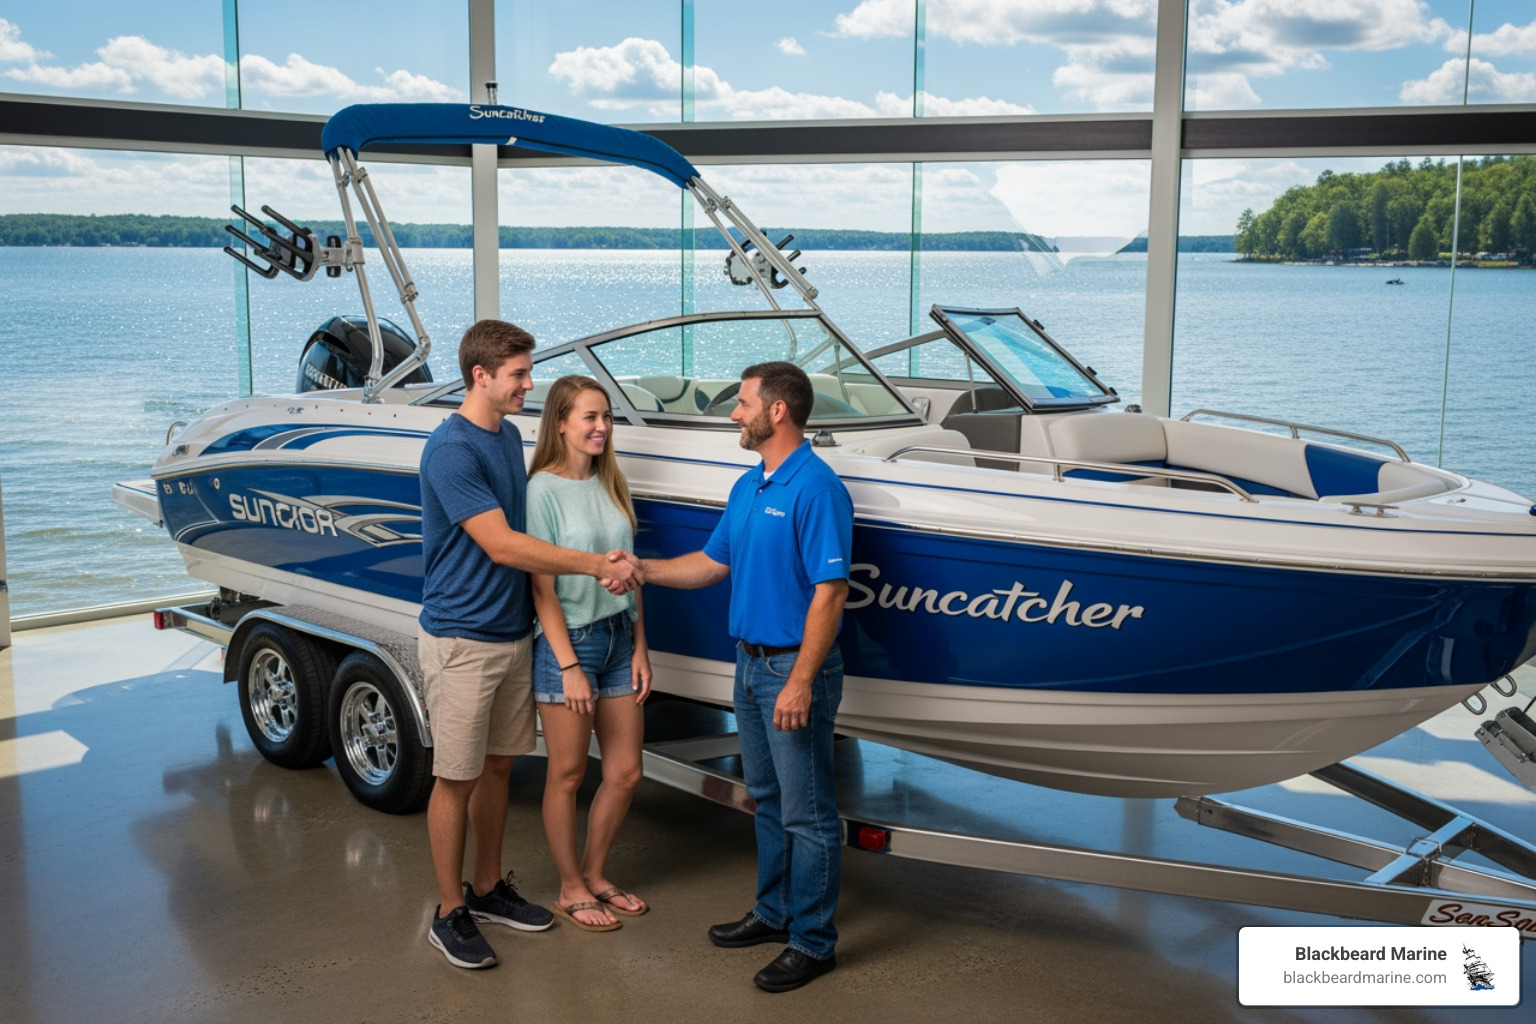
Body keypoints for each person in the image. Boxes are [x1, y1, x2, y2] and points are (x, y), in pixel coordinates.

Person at [419, 319, 641, 970]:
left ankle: (486, 889)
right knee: (454, 778)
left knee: (496, 768)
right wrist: (594, 563)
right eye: (518, 373)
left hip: (511, 632)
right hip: (462, 638)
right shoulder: (451, 449)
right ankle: (448, 910)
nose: (528, 383)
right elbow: (502, 544)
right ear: (479, 376)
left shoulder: (507, 437)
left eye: (528, 370)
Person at [634, 361, 852, 993]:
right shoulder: (749, 485)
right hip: (749, 666)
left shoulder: (817, 488)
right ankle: (773, 911)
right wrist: (642, 570)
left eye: (743, 402)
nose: (734, 412)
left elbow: (830, 594)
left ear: (777, 411)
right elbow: (708, 564)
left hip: (790, 670)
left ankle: (813, 942)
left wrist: (802, 680)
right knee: (768, 799)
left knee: (808, 814)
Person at [525, 375, 653, 932]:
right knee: (569, 774)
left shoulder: (610, 480)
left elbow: (630, 569)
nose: (602, 427)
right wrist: (570, 667)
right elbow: (540, 587)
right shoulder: (541, 490)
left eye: (606, 417)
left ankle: (596, 874)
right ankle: (570, 887)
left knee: (625, 772)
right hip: (569, 646)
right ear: (560, 424)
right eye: (589, 418)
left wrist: (642, 645)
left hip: (620, 640)